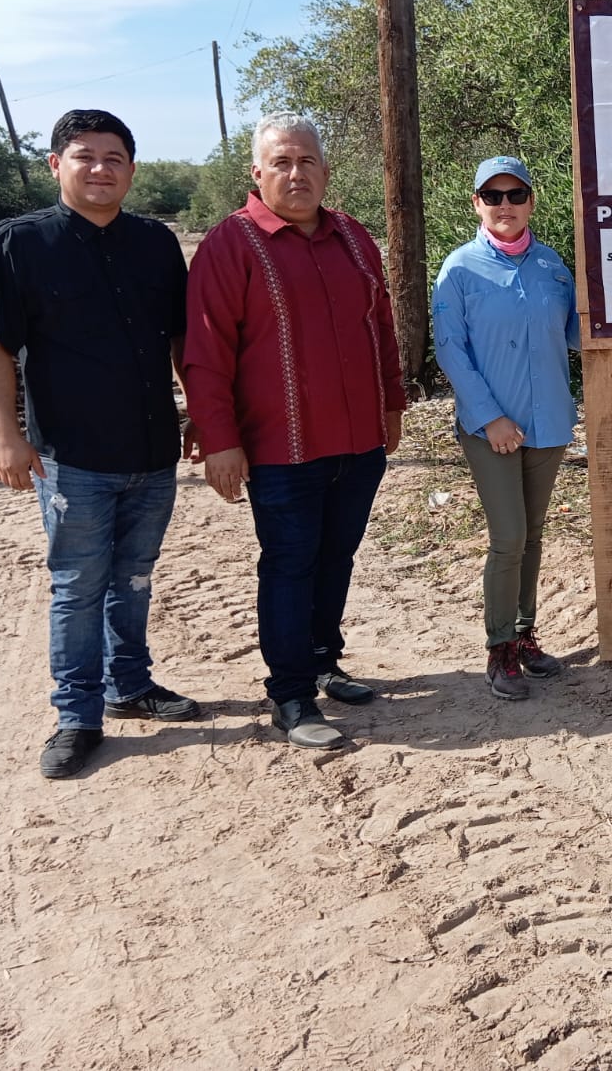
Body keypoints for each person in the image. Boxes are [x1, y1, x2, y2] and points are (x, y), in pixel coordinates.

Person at [0, 109, 200, 779]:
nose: (100, 169)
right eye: (85, 156)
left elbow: (183, 342)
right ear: (56, 165)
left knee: (133, 579)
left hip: (152, 451)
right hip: (72, 457)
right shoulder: (19, 244)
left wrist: (200, 413)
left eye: (114, 157)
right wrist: (5, 435)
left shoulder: (155, 243)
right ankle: (76, 714)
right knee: (77, 585)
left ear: (131, 167)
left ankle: (130, 685)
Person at [185, 113, 407, 749]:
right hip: (280, 449)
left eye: (307, 161)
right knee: (289, 564)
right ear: (257, 173)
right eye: (281, 162)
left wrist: (391, 405)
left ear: (325, 171)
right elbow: (204, 352)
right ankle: (290, 694)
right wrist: (219, 440)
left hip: (360, 443)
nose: (295, 173)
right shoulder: (232, 244)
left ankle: (322, 659)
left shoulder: (353, 238)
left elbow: (380, 330)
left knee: (337, 556)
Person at [432, 156, 579, 702]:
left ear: (531, 201)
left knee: (534, 536)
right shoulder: (459, 269)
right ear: (476, 204)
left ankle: (524, 636)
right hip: (490, 426)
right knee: (509, 536)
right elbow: (450, 349)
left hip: (548, 424)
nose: (505, 206)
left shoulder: (552, 266)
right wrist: (490, 417)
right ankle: (499, 650)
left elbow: (575, 333)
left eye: (515, 194)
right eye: (492, 196)